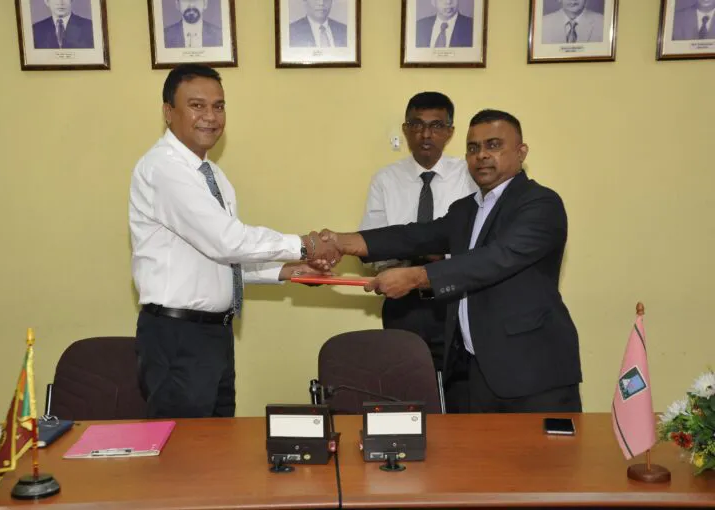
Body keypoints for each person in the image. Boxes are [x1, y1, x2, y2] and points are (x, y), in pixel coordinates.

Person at [322, 109, 582, 414]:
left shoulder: (540, 203)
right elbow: (414, 236)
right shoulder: (465, 210)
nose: (481, 155)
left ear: (521, 152)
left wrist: (417, 277)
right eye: (473, 148)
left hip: (532, 373)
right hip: (474, 373)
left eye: (494, 145)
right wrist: (341, 242)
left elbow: (495, 259)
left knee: (541, 449)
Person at [129, 64, 340, 419]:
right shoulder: (164, 168)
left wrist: (287, 270)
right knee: (187, 447)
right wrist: (306, 244)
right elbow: (226, 241)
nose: (210, 117)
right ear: (168, 112)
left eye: (219, 106)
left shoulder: (211, 174)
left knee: (219, 443)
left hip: (213, 334)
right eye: (197, 106)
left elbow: (221, 257)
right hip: (179, 336)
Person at [359, 92, 476, 371]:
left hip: (457, 299)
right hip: (403, 303)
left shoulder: (469, 176)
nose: (425, 134)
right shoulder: (386, 180)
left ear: (450, 132)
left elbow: (479, 244)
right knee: (405, 381)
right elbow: (372, 250)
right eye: (417, 125)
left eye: (436, 126)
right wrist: (412, 259)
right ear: (405, 129)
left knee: (459, 383)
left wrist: (442, 257)